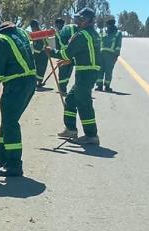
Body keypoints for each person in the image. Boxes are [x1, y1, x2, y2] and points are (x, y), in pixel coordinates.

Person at [0, 13, 36, 177]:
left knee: (10, 124)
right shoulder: (20, 32)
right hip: (29, 82)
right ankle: (0, 158)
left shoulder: (0, 40)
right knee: (7, 121)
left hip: (17, 85)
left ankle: (14, 165)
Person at [46, 8, 102, 145]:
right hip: (89, 71)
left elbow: (66, 53)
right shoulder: (93, 34)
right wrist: (71, 61)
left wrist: (51, 52)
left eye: (80, 19)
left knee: (84, 104)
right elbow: (87, 54)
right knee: (71, 99)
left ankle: (91, 135)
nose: (77, 21)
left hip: (85, 73)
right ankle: (70, 129)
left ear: (88, 21)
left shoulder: (82, 35)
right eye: (77, 18)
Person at [96, 18, 122, 92]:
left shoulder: (117, 33)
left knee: (107, 70)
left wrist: (116, 55)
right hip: (103, 54)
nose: (109, 26)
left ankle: (105, 86)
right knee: (102, 70)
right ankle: (101, 86)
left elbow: (118, 45)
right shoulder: (103, 31)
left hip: (110, 54)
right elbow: (98, 41)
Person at [54, 17, 78, 95]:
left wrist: (59, 56)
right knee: (68, 72)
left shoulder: (58, 32)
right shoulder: (69, 29)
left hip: (64, 54)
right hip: (72, 53)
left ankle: (62, 89)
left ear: (57, 25)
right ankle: (63, 88)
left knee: (62, 73)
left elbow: (57, 46)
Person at [30, 19, 49, 89]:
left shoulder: (40, 33)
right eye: (32, 27)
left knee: (41, 68)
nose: (32, 29)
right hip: (38, 53)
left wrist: (35, 54)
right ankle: (37, 82)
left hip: (43, 54)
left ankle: (39, 82)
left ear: (36, 26)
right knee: (37, 68)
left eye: (33, 27)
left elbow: (40, 45)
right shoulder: (36, 33)